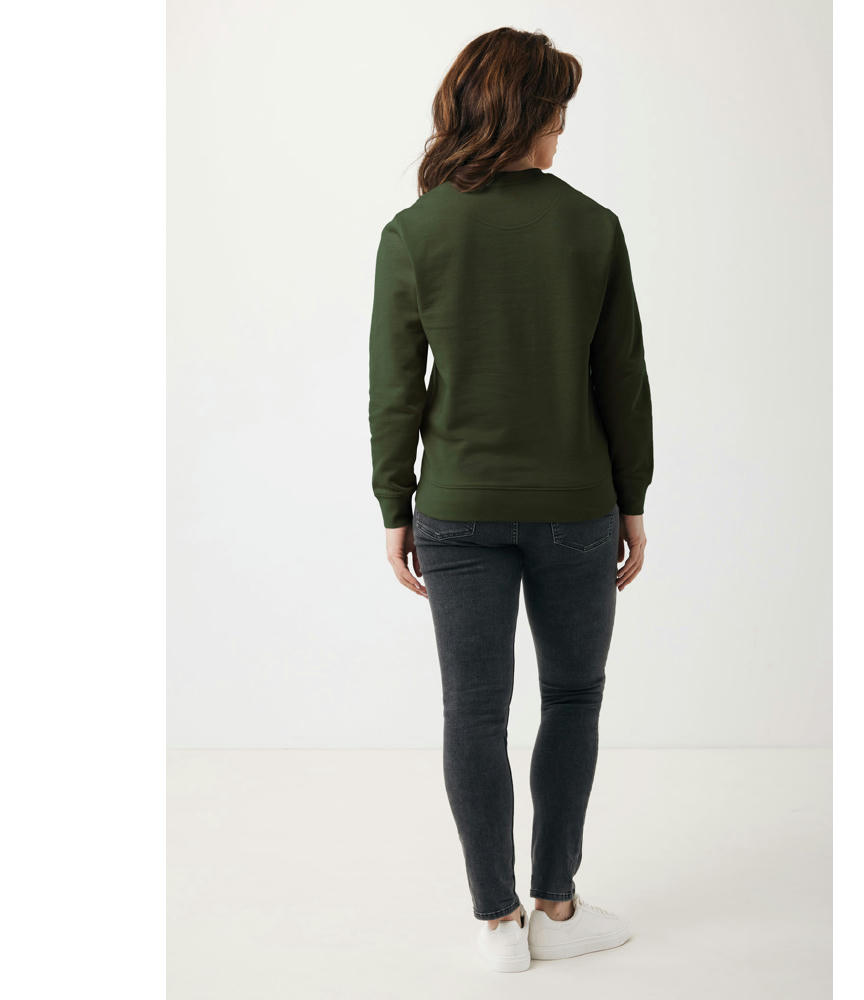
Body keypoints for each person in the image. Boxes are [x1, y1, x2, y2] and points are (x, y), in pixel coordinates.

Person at [368, 27, 653, 973]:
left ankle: (498, 928)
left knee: (473, 711)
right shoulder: (593, 227)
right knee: (572, 696)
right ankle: (556, 909)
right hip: (578, 509)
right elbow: (623, 383)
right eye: (558, 111)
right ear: (528, 113)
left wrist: (395, 507)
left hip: (455, 510)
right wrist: (632, 499)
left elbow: (394, 391)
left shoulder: (415, 233)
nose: (564, 128)